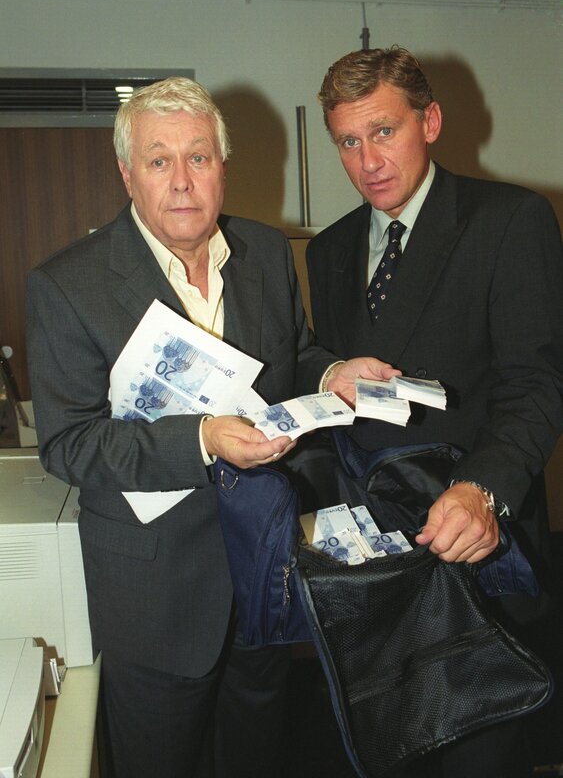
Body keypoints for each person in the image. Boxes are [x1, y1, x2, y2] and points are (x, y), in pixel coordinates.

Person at [26, 77, 399, 778]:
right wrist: (202, 439)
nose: (181, 180)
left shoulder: (264, 250)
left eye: (198, 157)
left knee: (256, 754)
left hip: (262, 566)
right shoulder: (68, 285)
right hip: (154, 595)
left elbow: (293, 353)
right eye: (158, 160)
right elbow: (69, 444)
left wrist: (330, 372)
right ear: (127, 174)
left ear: (222, 166)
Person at [307, 47, 563, 777]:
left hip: (474, 543)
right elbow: (335, 388)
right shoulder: (328, 250)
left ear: (431, 122)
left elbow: (535, 382)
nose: (367, 162)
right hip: (375, 571)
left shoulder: (509, 219)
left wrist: (483, 488)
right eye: (348, 142)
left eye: (383, 132)